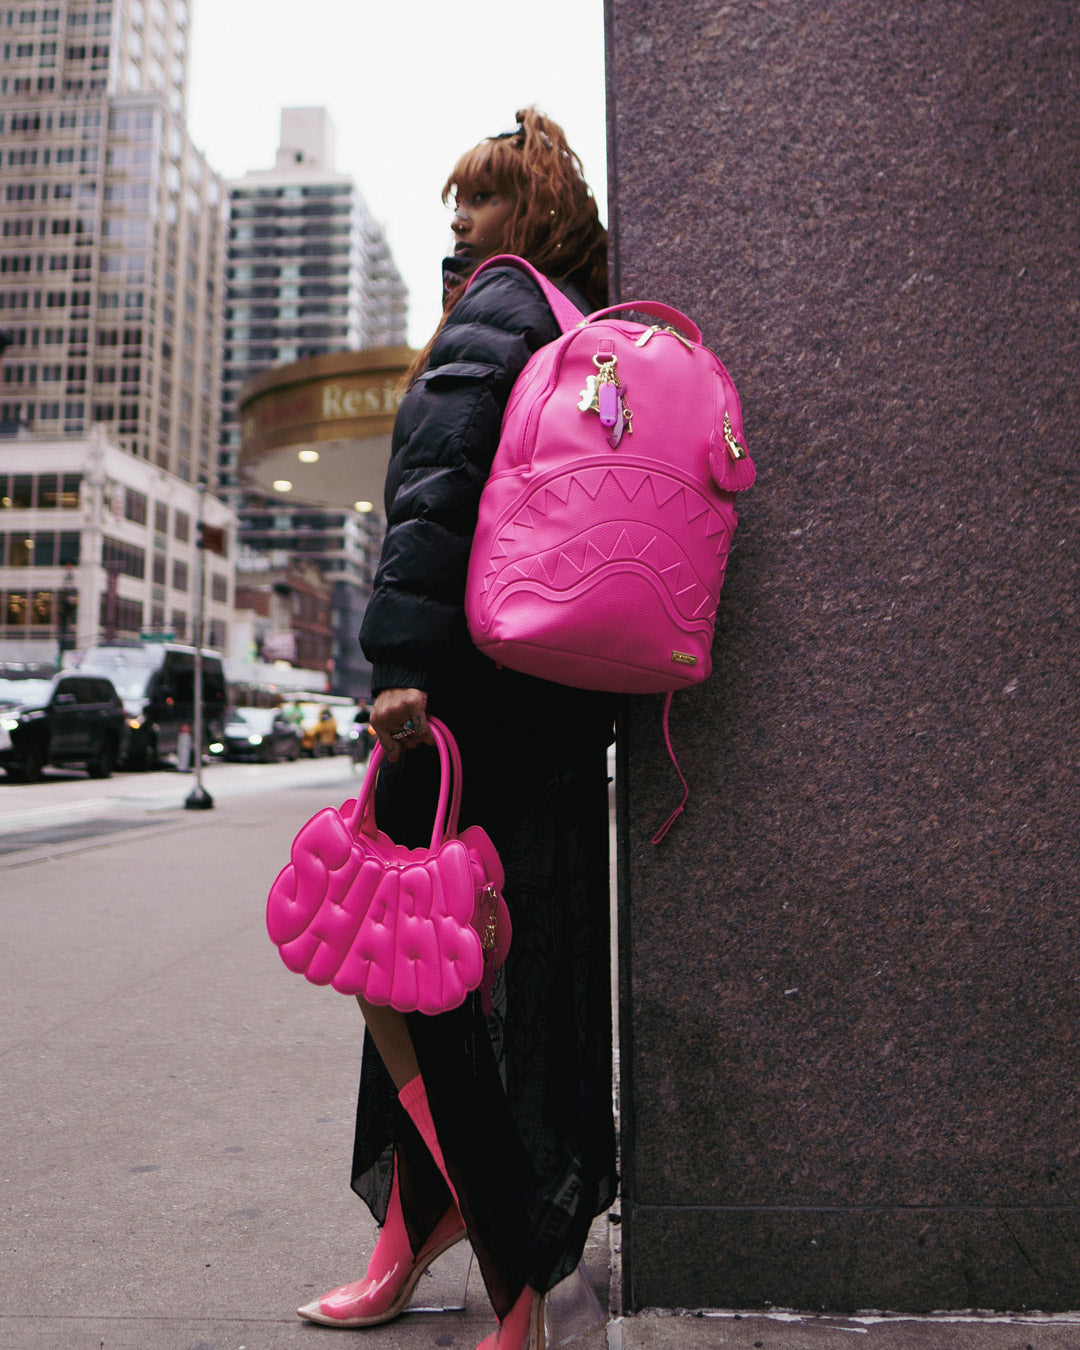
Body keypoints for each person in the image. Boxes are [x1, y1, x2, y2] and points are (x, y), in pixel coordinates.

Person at [297, 108, 617, 1350]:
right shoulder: (575, 325)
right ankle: (442, 1227)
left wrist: (399, 667)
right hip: (546, 701)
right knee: (457, 975)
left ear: (523, 215)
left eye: (476, 203)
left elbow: (433, 495)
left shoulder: (495, 311)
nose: (460, 226)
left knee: (403, 974)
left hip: (457, 704)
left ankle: (508, 1260)